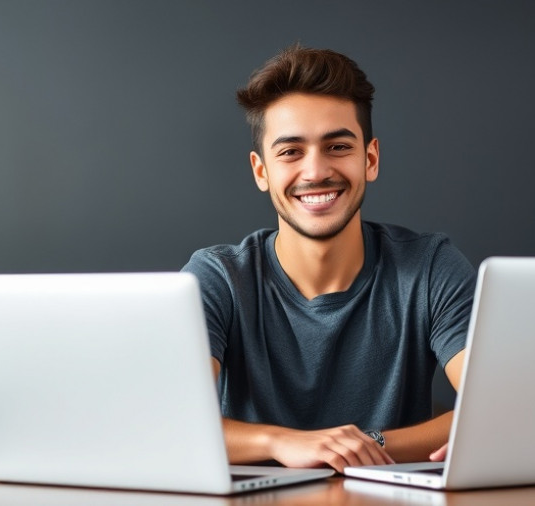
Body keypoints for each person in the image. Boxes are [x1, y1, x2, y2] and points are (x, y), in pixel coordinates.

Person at [182, 44, 476, 473]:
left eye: (337, 147)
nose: (316, 171)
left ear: (370, 159)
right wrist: (284, 443)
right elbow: (174, 422)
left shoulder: (431, 267)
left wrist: (361, 444)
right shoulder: (218, 278)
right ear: (261, 171)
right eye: (290, 151)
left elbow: (493, 409)